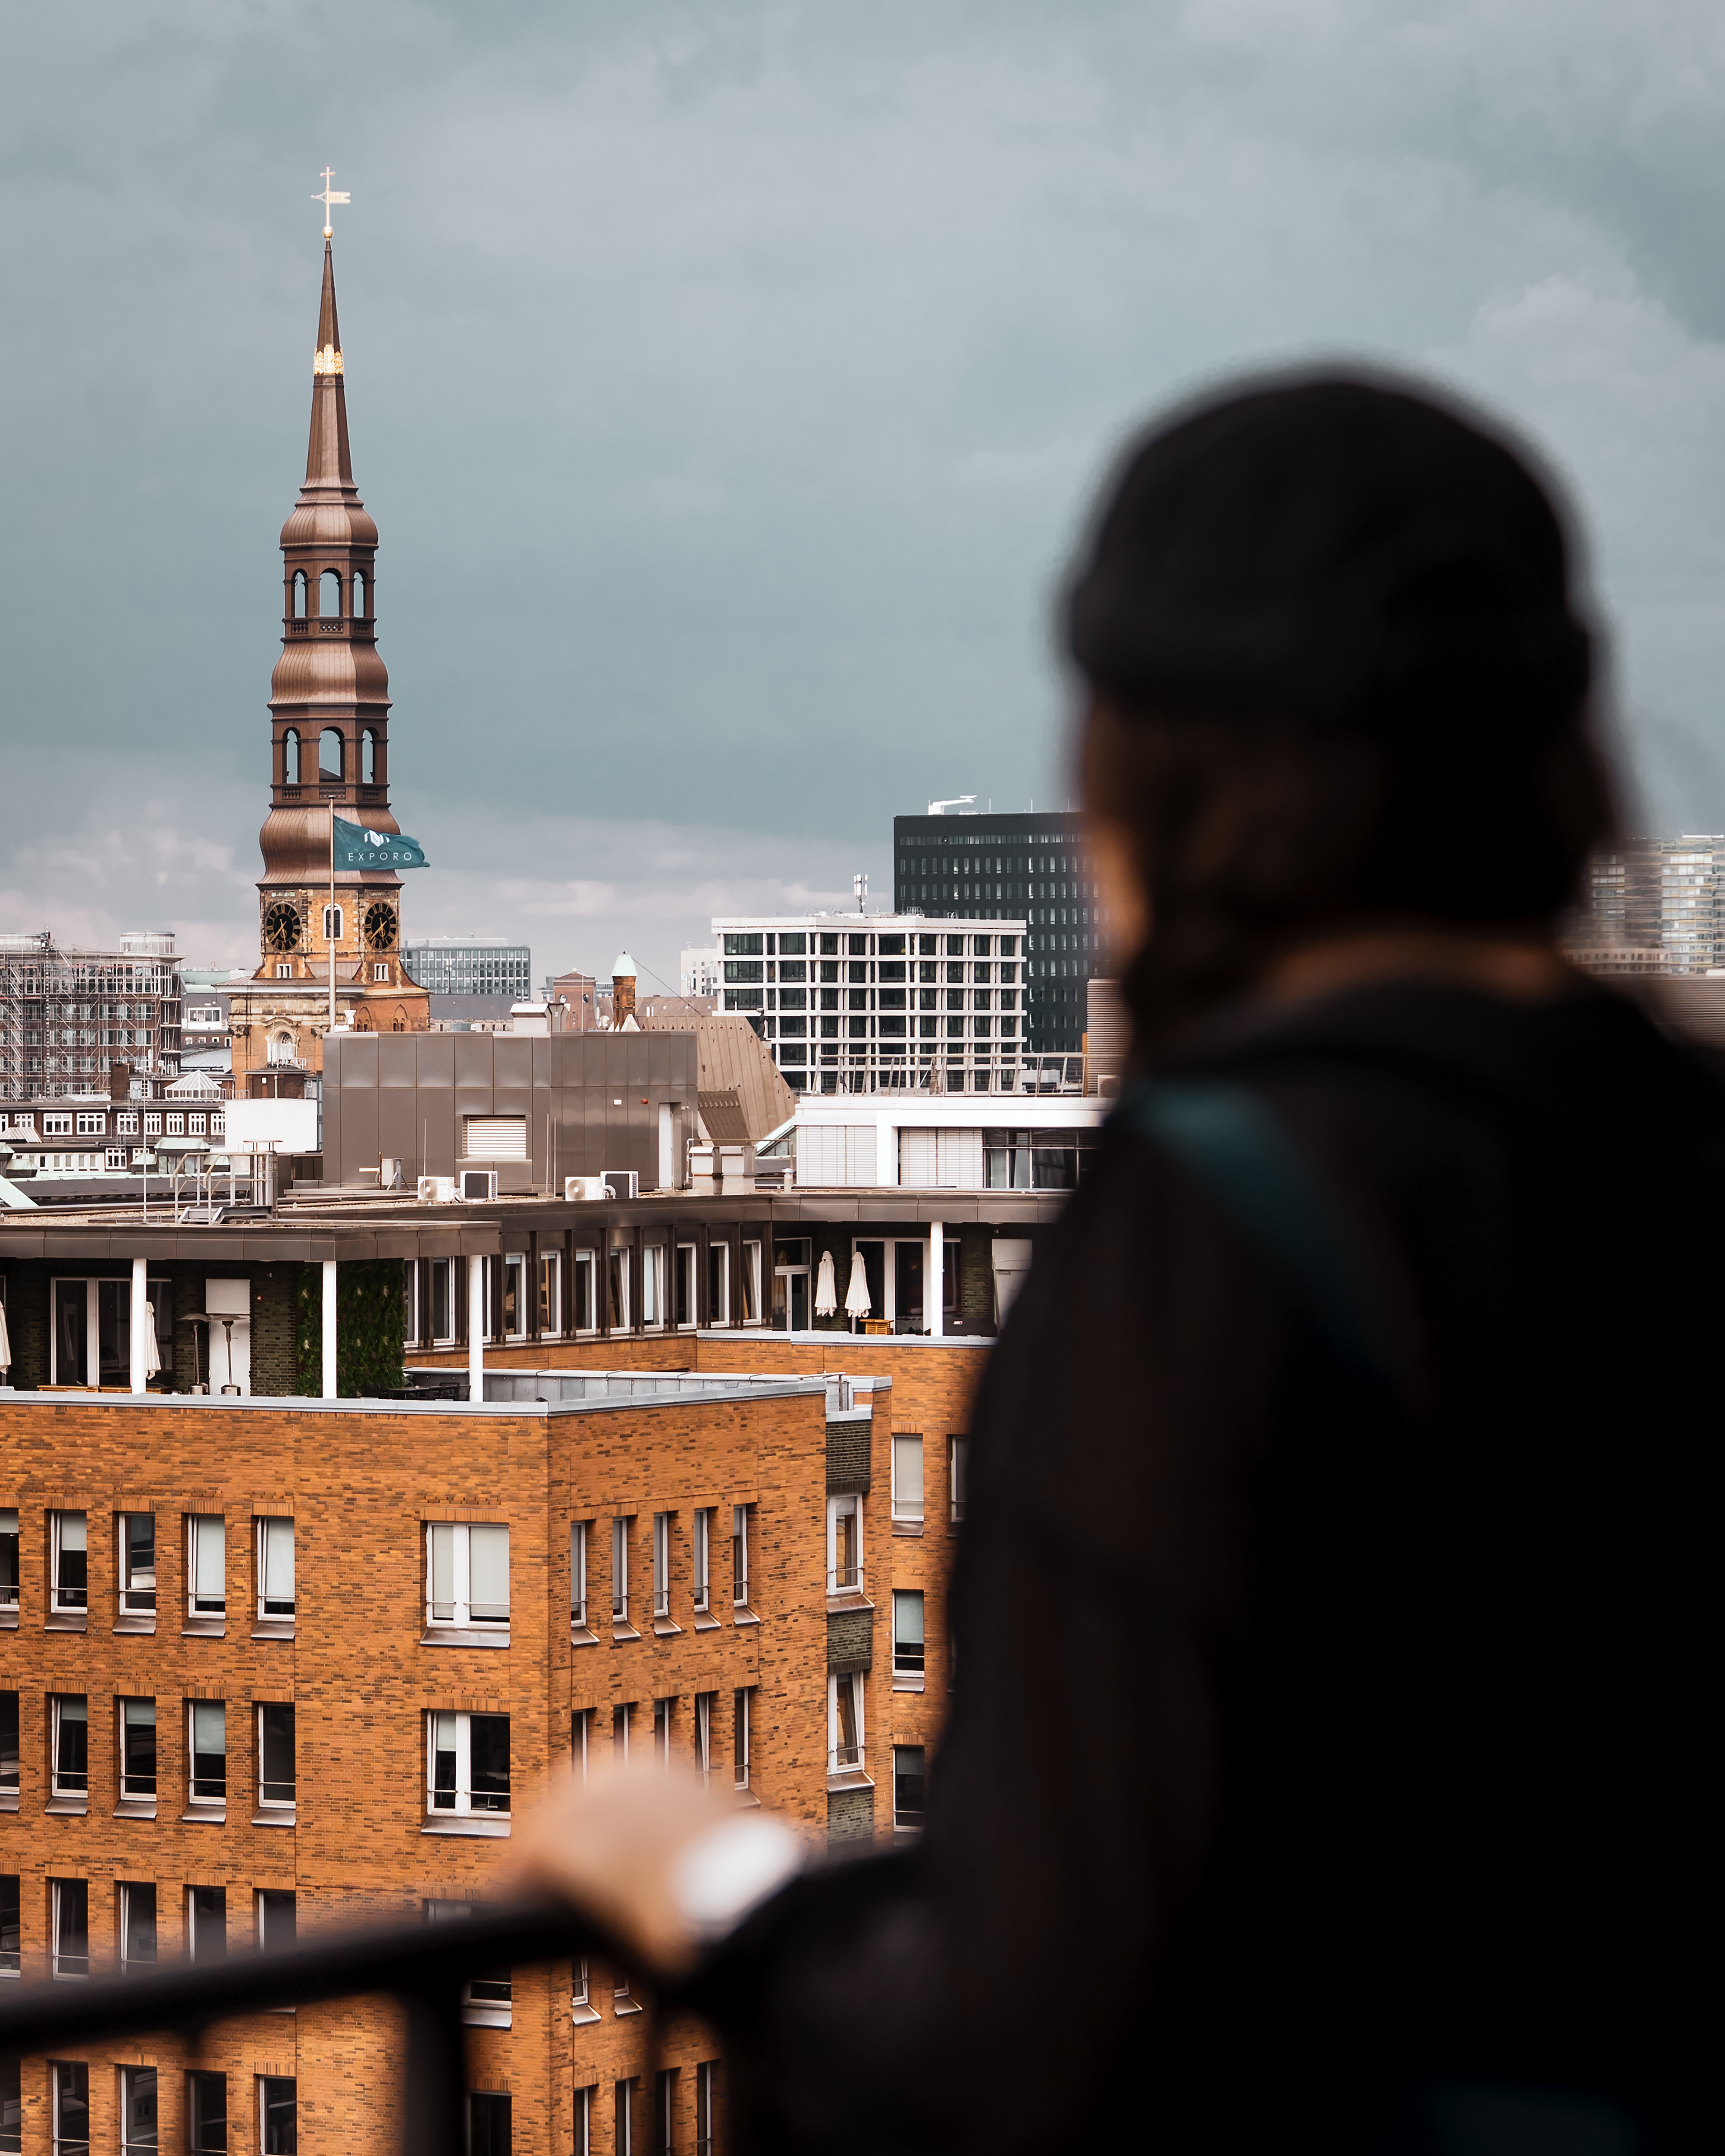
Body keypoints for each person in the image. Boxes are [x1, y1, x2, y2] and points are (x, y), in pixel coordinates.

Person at [510, 374, 1716, 2154]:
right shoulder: (1668, 1136)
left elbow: (1030, 2027)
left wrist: (711, 1883)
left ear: (1129, 770)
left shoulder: (1215, 1222)